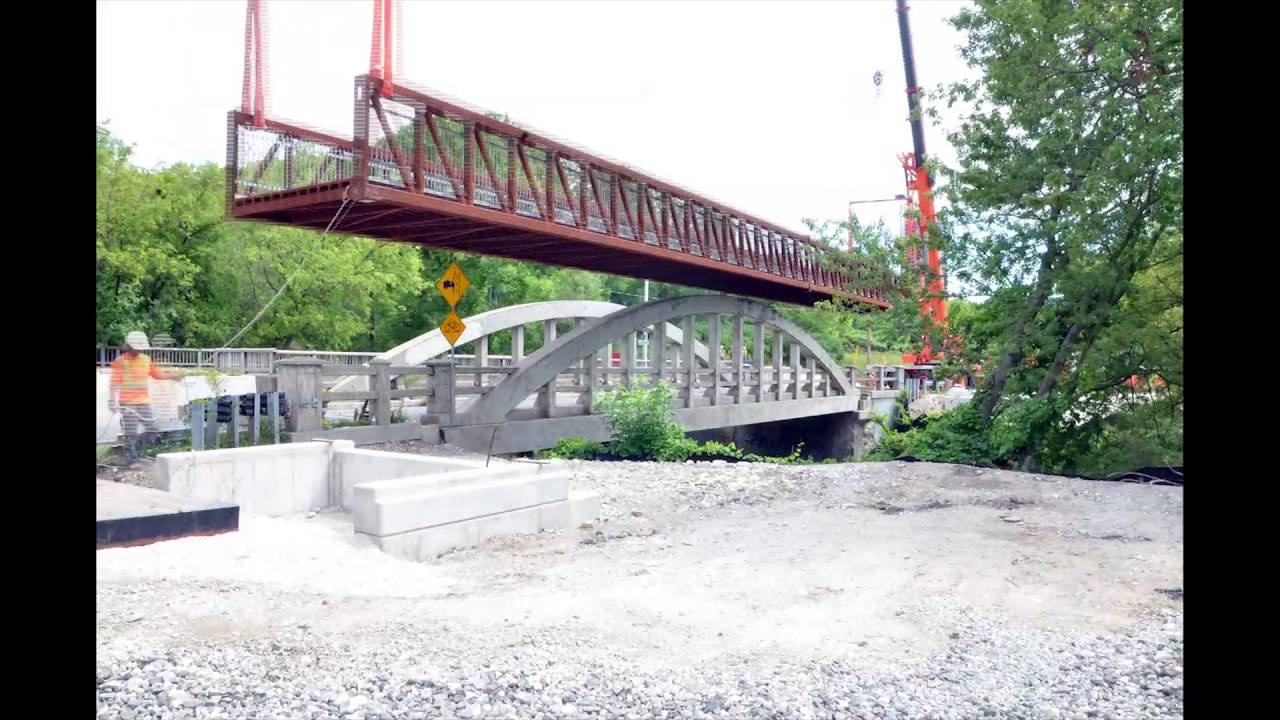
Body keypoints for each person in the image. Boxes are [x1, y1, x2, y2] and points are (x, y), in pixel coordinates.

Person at [108, 331, 177, 465]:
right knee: (131, 431)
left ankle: (138, 451)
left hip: (143, 402)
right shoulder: (120, 361)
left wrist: (174, 376)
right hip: (127, 403)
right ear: (128, 346)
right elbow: (114, 383)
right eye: (135, 348)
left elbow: (157, 374)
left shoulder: (146, 360)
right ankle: (131, 459)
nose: (137, 351)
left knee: (152, 429)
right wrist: (112, 401)